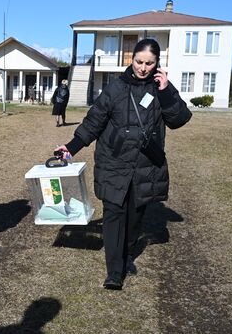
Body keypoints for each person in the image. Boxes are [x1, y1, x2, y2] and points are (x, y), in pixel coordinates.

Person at [55, 39, 191, 290]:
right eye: (139, 62)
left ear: (157, 63)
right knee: (114, 216)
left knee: (135, 217)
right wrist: (71, 147)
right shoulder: (115, 89)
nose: (143, 68)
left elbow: (179, 120)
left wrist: (167, 90)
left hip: (144, 165)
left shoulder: (161, 89)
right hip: (113, 162)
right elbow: (93, 122)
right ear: (132, 59)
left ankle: (127, 255)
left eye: (149, 63)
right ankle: (114, 272)